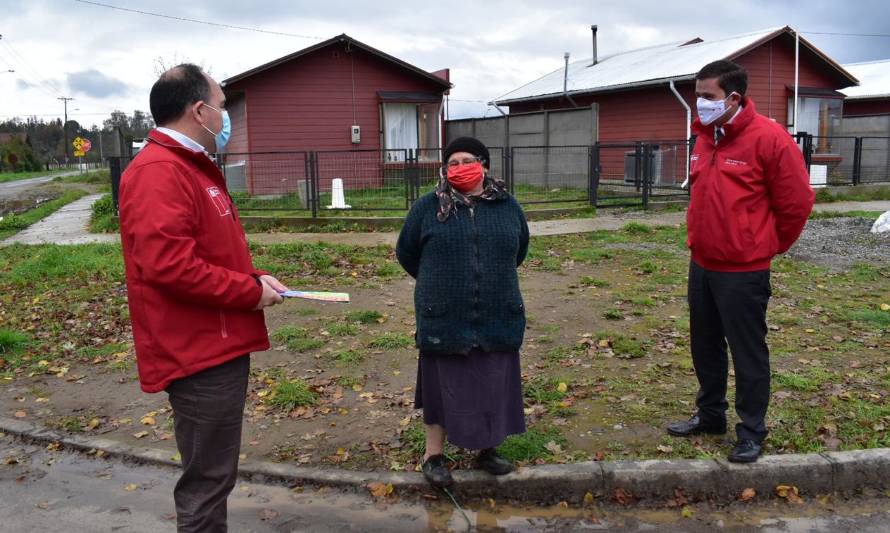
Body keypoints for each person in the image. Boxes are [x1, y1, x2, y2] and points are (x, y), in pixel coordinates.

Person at [119, 63, 288, 531]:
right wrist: (247, 292)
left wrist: (256, 279)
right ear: (199, 110)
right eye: (222, 105)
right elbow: (169, 266)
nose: (226, 116)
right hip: (197, 352)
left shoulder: (189, 167)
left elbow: (204, 252)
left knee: (215, 474)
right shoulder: (160, 171)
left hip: (215, 341)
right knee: (208, 481)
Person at [667, 60, 814, 463]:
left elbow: (796, 204)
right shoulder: (705, 137)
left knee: (748, 352)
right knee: (704, 346)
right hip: (703, 263)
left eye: (708, 96)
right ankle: (710, 414)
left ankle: (751, 431)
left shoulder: (770, 138)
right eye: (697, 95)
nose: (700, 103)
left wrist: (763, 245)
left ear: (734, 97)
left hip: (744, 270)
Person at [396, 136, 530, 487]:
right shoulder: (427, 208)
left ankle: (487, 450)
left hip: (497, 311)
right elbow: (407, 252)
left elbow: (518, 250)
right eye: (451, 163)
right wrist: (440, 282)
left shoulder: (508, 206)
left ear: (484, 164)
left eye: (467, 161)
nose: (459, 168)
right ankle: (433, 455)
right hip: (444, 314)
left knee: (491, 382)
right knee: (442, 386)